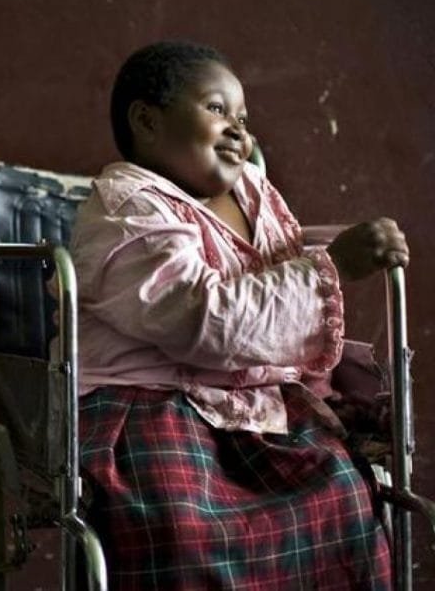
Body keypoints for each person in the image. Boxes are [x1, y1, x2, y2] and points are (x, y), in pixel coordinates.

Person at [73, 41, 403, 589]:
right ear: (147, 120)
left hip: (247, 401)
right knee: (184, 528)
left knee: (342, 488)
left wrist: (348, 252)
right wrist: (332, 265)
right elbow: (203, 319)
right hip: (151, 403)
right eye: (217, 109)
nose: (239, 130)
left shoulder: (252, 189)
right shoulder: (127, 207)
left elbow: (283, 261)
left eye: (243, 117)